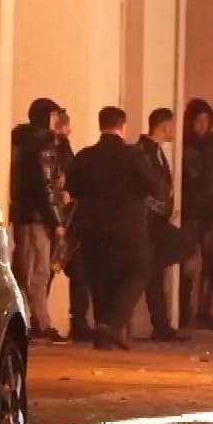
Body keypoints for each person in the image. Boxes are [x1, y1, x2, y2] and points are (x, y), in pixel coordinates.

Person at [66, 107, 164, 351]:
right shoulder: (133, 155)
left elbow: (72, 188)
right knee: (138, 271)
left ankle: (103, 332)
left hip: (91, 227)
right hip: (127, 226)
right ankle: (111, 324)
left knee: (100, 277)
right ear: (122, 125)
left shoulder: (85, 156)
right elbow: (156, 188)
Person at [9, 97, 65, 342]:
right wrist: (56, 221)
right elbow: (44, 188)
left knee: (28, 268)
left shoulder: (22, 141)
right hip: (35, 217)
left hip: (26, 214)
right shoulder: (41, 146)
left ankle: (37, 320)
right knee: (37, 271)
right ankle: (39, 322)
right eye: (55, 116)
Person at [139, 108, 190, 342]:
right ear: (164, 126)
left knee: (157, 273)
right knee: (152, 273)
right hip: (149, 223)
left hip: (159, 220)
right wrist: (160, 208)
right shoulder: (144, 152)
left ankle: (161, 323)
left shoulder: (157, 152)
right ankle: (159, 323)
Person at [180, 99, 213, 330]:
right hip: (190, 211)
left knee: (211, 262)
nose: (202, 125)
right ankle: (183, 310)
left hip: (210, 211)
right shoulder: (185, 144)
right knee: (187, 263)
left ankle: (204, 310)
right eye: (198, 121)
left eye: (206, 121)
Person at [52, 110, 92, 342]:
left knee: (70, 268)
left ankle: (78, 320)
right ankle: (77, 320)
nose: (70, 131)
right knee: (51, 268)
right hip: (64, 216)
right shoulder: (57, 150)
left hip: (66, 216)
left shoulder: (59, 150)